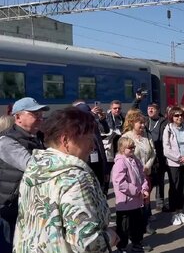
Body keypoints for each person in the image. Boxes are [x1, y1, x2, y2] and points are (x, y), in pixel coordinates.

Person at [13, 107, 118, 252]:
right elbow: (87, 243)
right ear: (66, 140)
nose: (92, 146)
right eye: (88, 138)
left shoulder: (34, 168)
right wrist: (110, 236)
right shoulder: (75, 178)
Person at [0, 97, 48, 251]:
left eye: (41, 115)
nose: (40, 119)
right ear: (18, 117)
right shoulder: (7, 141)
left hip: (27, 207)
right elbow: (32, 166)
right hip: (9, 207)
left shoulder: (38, 137)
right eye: (35, 115)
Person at [112, 137, 150, 253]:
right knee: (124, 227)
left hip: (136, 202)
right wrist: (137, 191)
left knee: (137, 225)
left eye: (133, 147)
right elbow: (120, 183)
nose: (133, 149)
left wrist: (144, 188)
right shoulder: (120, 162)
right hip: (126, 202)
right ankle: (121, 247)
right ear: (122, 149)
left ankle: (136, 244)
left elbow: (142, 176)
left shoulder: (135, 160)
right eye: (130, 148)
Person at [122, 112, 156, 236]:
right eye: (140, 123)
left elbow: (153, 153)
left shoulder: (147, 136)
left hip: (145, 174)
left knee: (146, 201)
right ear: (132, 123)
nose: (143, 125)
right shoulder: (126, 137)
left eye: (144, 122)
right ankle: (135, 227)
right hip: (132, 177)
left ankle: (146, 224)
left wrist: (148, 165)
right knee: (136, 202)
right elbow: (123, 158)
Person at [163, 106, 184, 226]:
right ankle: (173, 213)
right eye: (176, 115)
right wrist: (178, 158)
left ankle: (180, 211)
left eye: (181, 115)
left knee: (183, 187)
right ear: (172, 116)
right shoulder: (168, 129)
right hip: (174, 163)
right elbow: (166, 148)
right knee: (174, 187)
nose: (179, 117)